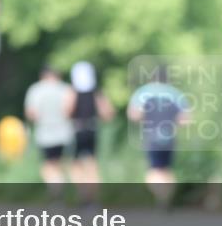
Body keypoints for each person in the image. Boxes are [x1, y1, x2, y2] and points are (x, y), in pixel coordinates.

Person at [127, 65, 192, 209]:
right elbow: (185, 119)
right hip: (170, 137)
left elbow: (133, 115)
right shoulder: (175, 94)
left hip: (151, 136)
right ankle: (166, 198)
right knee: (167, 169)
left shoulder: (144, 92)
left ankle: (159, 197)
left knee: (154, 170)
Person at [68, 61, 115, 206]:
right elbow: (108, 114)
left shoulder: (73, 92)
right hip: (92, 128)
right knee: (92, 165)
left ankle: (84, 196)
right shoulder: (96, 93)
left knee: (77, 166)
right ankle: (92, 199)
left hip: (78, 130)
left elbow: (67, 111)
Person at [24, 66, 75, 198]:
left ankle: (56, 192)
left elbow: (31, 113)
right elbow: (70, 110)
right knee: (60, 163)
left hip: (45, 133)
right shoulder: (65, 88)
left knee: (48, 165)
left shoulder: (36, 89)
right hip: (64, 132)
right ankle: (61, 190)